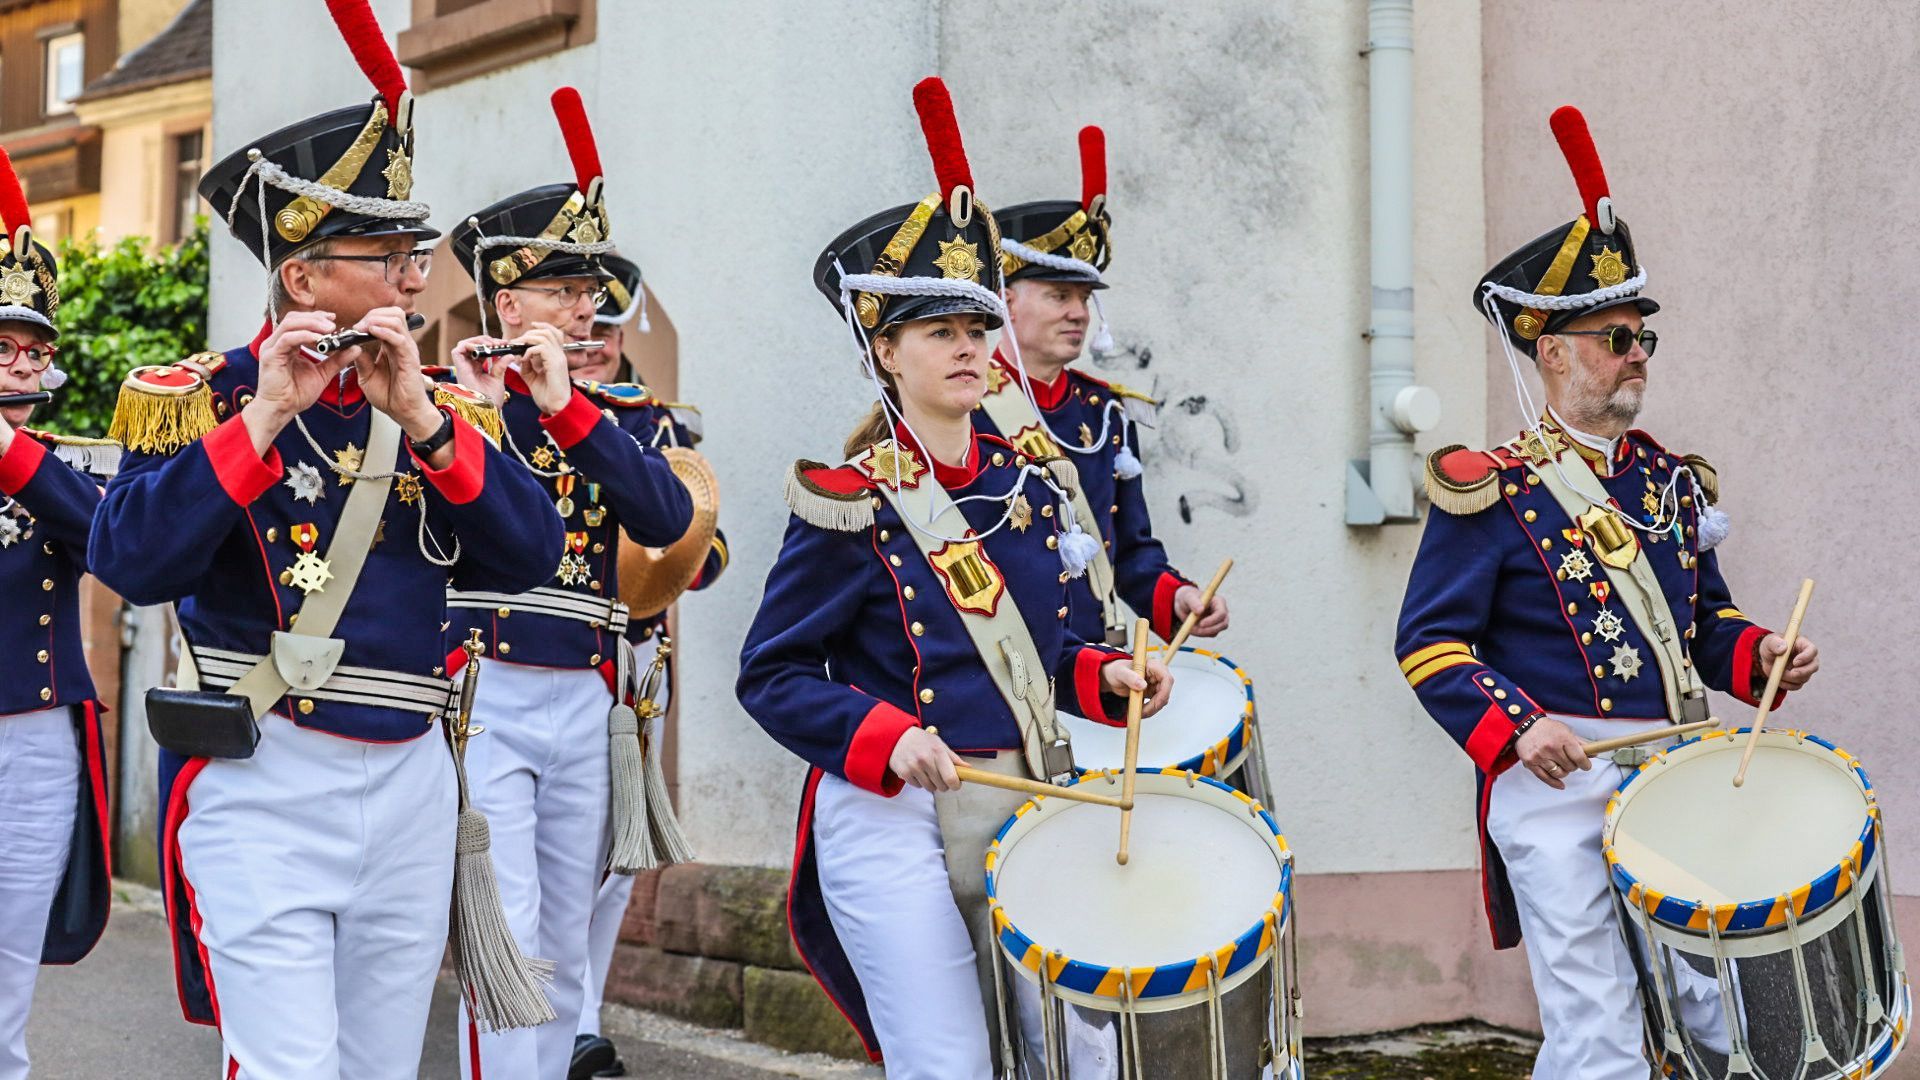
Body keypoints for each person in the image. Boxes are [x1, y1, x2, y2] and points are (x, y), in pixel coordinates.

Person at [87, 5, 563, 1076]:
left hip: (410, 781)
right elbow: (130, 560)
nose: (412, 279)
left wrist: (433, 425)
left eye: (413, 253)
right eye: (387, 255)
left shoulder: (433, 409)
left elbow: (529, 557)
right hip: (263, 774)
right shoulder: (197, 396)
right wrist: (262, 418)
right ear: (301, 279)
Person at [736, 77, 1170, 1078]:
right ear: (885, 351)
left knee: (1078, 1055)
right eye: (940, 333)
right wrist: (887, 737)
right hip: (891, 810)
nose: (970, 351)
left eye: (977, 331)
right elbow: (774, 673)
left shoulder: (1028, 484)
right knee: (948, 1063)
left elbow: (1041, 658)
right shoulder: (849, 500)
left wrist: (1102, 675)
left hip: (1024, 790)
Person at [1395, 105, 1819, 1080]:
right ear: (1552, 351)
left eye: (1643, 339)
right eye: (1617, 337)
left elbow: (1705, 626)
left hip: (1677, 775)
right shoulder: (1490, 484)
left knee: (1711, 1022)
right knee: (1598, 1032)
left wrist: (1762, 655)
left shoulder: (1669, 480)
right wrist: (1518, 727)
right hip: (1556, 783)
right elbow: (1430, 645)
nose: (1638, 355)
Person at [444, 88, 697, 1080]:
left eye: (589, 287)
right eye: (559, 287)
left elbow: (670, 524)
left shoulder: (615, 415)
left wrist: (568, 409)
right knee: (509, 931)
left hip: (592, 694)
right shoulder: (460, 404)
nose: (584, 305)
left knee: (568, 932)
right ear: (508, 303)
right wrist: (504, 404)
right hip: (489, 689)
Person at [570, 252, 729, 1080]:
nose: (592, 343)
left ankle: (581, 1017)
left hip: (634, 666)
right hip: (543, 660)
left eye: (606, 327)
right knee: (550, 862)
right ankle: (557, 1023)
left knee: (611, 858)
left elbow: (706, 556)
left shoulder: (657, 427)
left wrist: (673, 548)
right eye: (582, 323)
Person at [977, 125, 1226, 647]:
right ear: (1007, 301)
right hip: (1001, 674)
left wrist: (1173, 595)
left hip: (1093, 666)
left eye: (1085, 298)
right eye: (1059, 295)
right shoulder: (961, 407)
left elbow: (1130, 552)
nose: (1078, 313)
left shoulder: (1103, 413)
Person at [0, 145, 111, 1080]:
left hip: (34, 740)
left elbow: (118, 544)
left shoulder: (68, 469)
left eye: (37, 352)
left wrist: (12, 454)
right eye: (5, 349)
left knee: (6, 981)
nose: (27, 366)